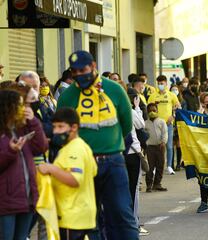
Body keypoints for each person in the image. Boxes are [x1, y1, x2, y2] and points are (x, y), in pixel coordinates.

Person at [57, 50, 138, 239]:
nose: (79, 74)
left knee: (121, 213)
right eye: (74, 71)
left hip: (113, 162)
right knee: (88, 218)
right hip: (82, 164)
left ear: (93, 66)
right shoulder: (67, 96)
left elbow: (126, 124)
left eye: (82, 69)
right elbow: (60, 130)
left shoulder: (114, 89)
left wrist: (111, 144)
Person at [38, 108, 97, 239]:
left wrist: (51, 169)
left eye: (60, 127)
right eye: (54, 127)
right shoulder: (82, 146)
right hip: (80, 214)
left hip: (71, 215)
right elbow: (93, 171)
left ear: (74, 127)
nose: (56, 131)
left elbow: (75, 180)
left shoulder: (74, 149)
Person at [0, 89, 48, 240]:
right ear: (8, 108)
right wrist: (10, 151)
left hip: (26, 198)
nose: (24, 109)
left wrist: (34, 122)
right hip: (6, 201)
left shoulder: (22, 129)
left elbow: (41, 147)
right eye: (20, 105)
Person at [124, 88, 149, 236]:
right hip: (132, 154)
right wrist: (137, 107)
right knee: (133, 190)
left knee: (123, 189)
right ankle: (134, 222)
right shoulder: (130, 111)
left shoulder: (114, 110)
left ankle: (127, 221)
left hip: (120, 153)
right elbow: (141, 125)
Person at [148, 75, 180, 175]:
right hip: (156, 124)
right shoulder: (153, 95)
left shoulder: (171, 95)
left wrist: (173, 116)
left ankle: (169, 166)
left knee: (169, 146)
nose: (160, 85)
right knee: (156, 146)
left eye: (162, 83)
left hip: (168, 124)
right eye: (159, 83)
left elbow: (178, 107)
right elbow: (149, 108)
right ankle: (154, 167)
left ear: (166, 83)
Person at [145, 103, 168, 192]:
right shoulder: (145, 123)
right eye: (150, 111)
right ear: (147, 112)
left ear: (157, 110)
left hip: (160, 147)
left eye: (154, 110)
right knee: (150, 167)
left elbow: (165, 132)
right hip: (150, 147)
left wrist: (163, 142)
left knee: (160, 165)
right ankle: (149, 185)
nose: (152, 112)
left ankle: (157, 184)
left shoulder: (161, 121)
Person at [170, 84, 185, 171]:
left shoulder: (182, 101)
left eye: (176, 89)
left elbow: (184, 112)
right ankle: (171, 164)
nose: (174, 91)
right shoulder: (169, 100)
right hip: (171, 124)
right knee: (171, 145)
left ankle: (178, 163)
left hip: (179, 124)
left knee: (179, 145)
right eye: (173, 89)